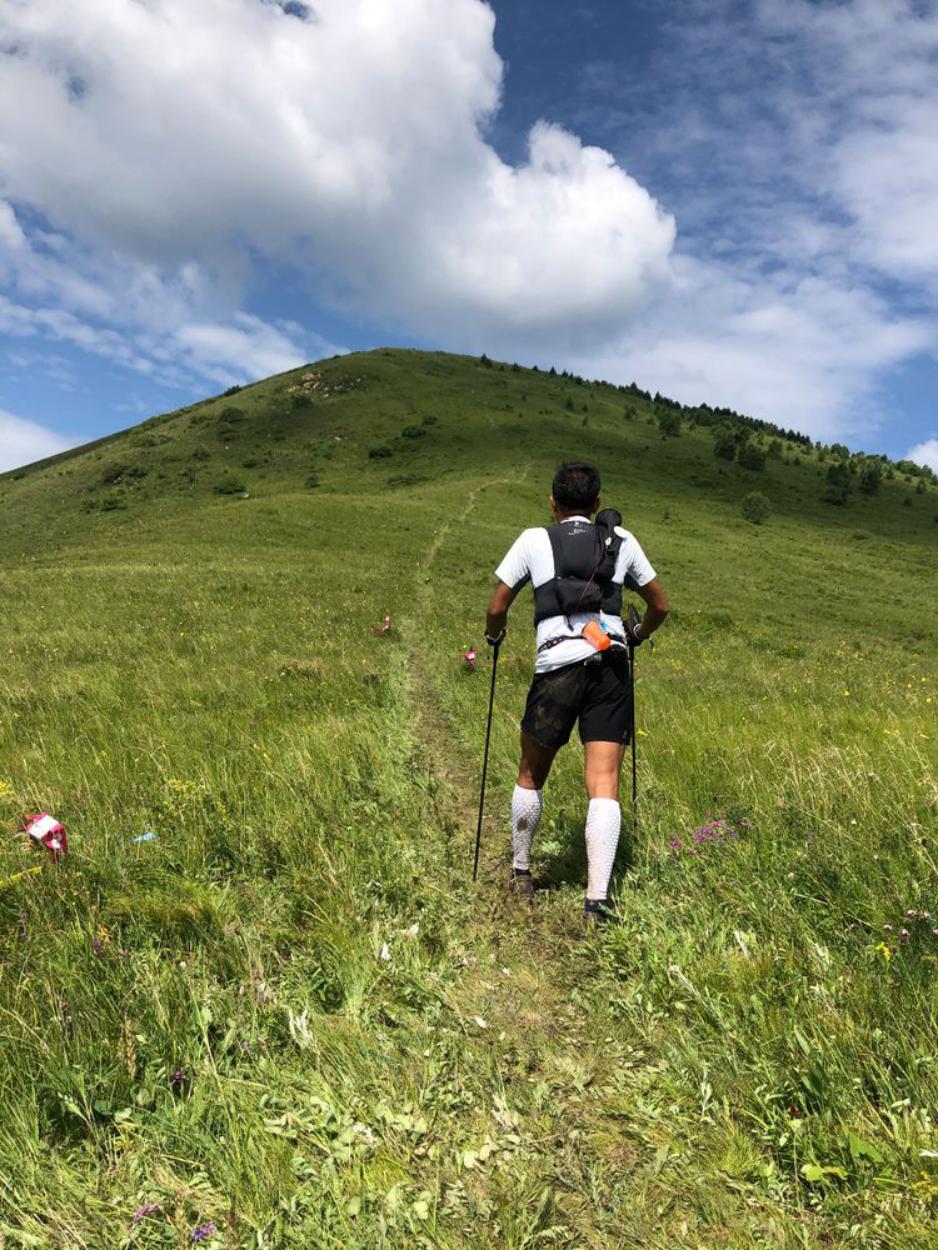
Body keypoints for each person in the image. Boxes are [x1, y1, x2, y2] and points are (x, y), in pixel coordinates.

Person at [484, 461, 670, 924]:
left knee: (531, 773)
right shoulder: (622, 542)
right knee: (603, 785)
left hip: (556, 667)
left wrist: (494, 635)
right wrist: (638, 634)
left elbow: (497, 605)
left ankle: (522, 872)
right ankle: (597, 903)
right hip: (610, 667)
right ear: (597, 502)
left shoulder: (533, 540)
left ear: (553, 501)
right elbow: (660, 605)